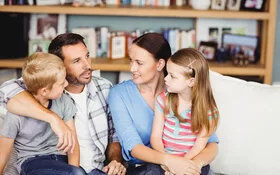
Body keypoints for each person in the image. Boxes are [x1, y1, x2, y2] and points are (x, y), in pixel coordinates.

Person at [0, 33, 125, 175]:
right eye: (77, 61)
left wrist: (116, 161)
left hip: (96, 170)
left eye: (87, 56)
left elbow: (114, 136)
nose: (87, 65)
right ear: (59, 64)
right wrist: (53, 118)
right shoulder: (41, 86)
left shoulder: (104, 88)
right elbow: (5, 92)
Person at [108, 33, 219, 175]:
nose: (132, 69)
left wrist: (192, 166)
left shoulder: (181, 89)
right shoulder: (119, 94)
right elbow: (133, 147)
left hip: (188, 164)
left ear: (160, 64)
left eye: (139, 63)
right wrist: (170, 162)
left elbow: (211, 144)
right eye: (131, 61)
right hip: (146, 168)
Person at [0, 52, 84, 175]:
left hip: (61, 162)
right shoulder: (16, 113)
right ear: (44, 91)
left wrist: (75, 170)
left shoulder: (64, 101)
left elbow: (73, 145)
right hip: (32, 162)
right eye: (61, 83)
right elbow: (3, 153)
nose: (66, 84)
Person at [150, 48, 219, 175]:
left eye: (172, 76)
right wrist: (168, 162)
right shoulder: (163, 100)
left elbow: (199, 146)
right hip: (165, 159)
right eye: (167, 73)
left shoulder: (208, 111)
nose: (165, 79)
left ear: (191, 81)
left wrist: (181, 166)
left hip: (191, 161)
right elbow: (155, 137)